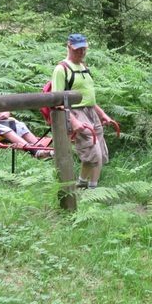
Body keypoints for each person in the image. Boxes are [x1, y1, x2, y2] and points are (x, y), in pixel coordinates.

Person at [52, 33, 114, 189]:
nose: (82, 52)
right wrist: (74, 121)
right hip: (76, 113)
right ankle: (93, 190)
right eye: (78, 49)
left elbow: (89, 98)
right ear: (69, 47)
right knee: (94, 152)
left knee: (98, 150)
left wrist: (103, 115)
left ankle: (81, 182)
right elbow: (57, 101)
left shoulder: (84, 67)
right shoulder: (61, 69)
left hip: (91, 112)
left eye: (84, 49)